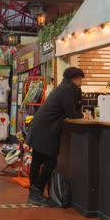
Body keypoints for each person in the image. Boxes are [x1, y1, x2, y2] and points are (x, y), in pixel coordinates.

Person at [26, 67, 84, 207]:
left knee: (38, 160)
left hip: (39, 127)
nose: (81, 81)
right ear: (74, 78)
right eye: (80, 78)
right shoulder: (67, 89)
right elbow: (71, 113)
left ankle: (34, 193)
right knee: (49, 162)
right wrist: (82, 115)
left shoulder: (63, 87)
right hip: (47, 130)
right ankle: (36, 193)